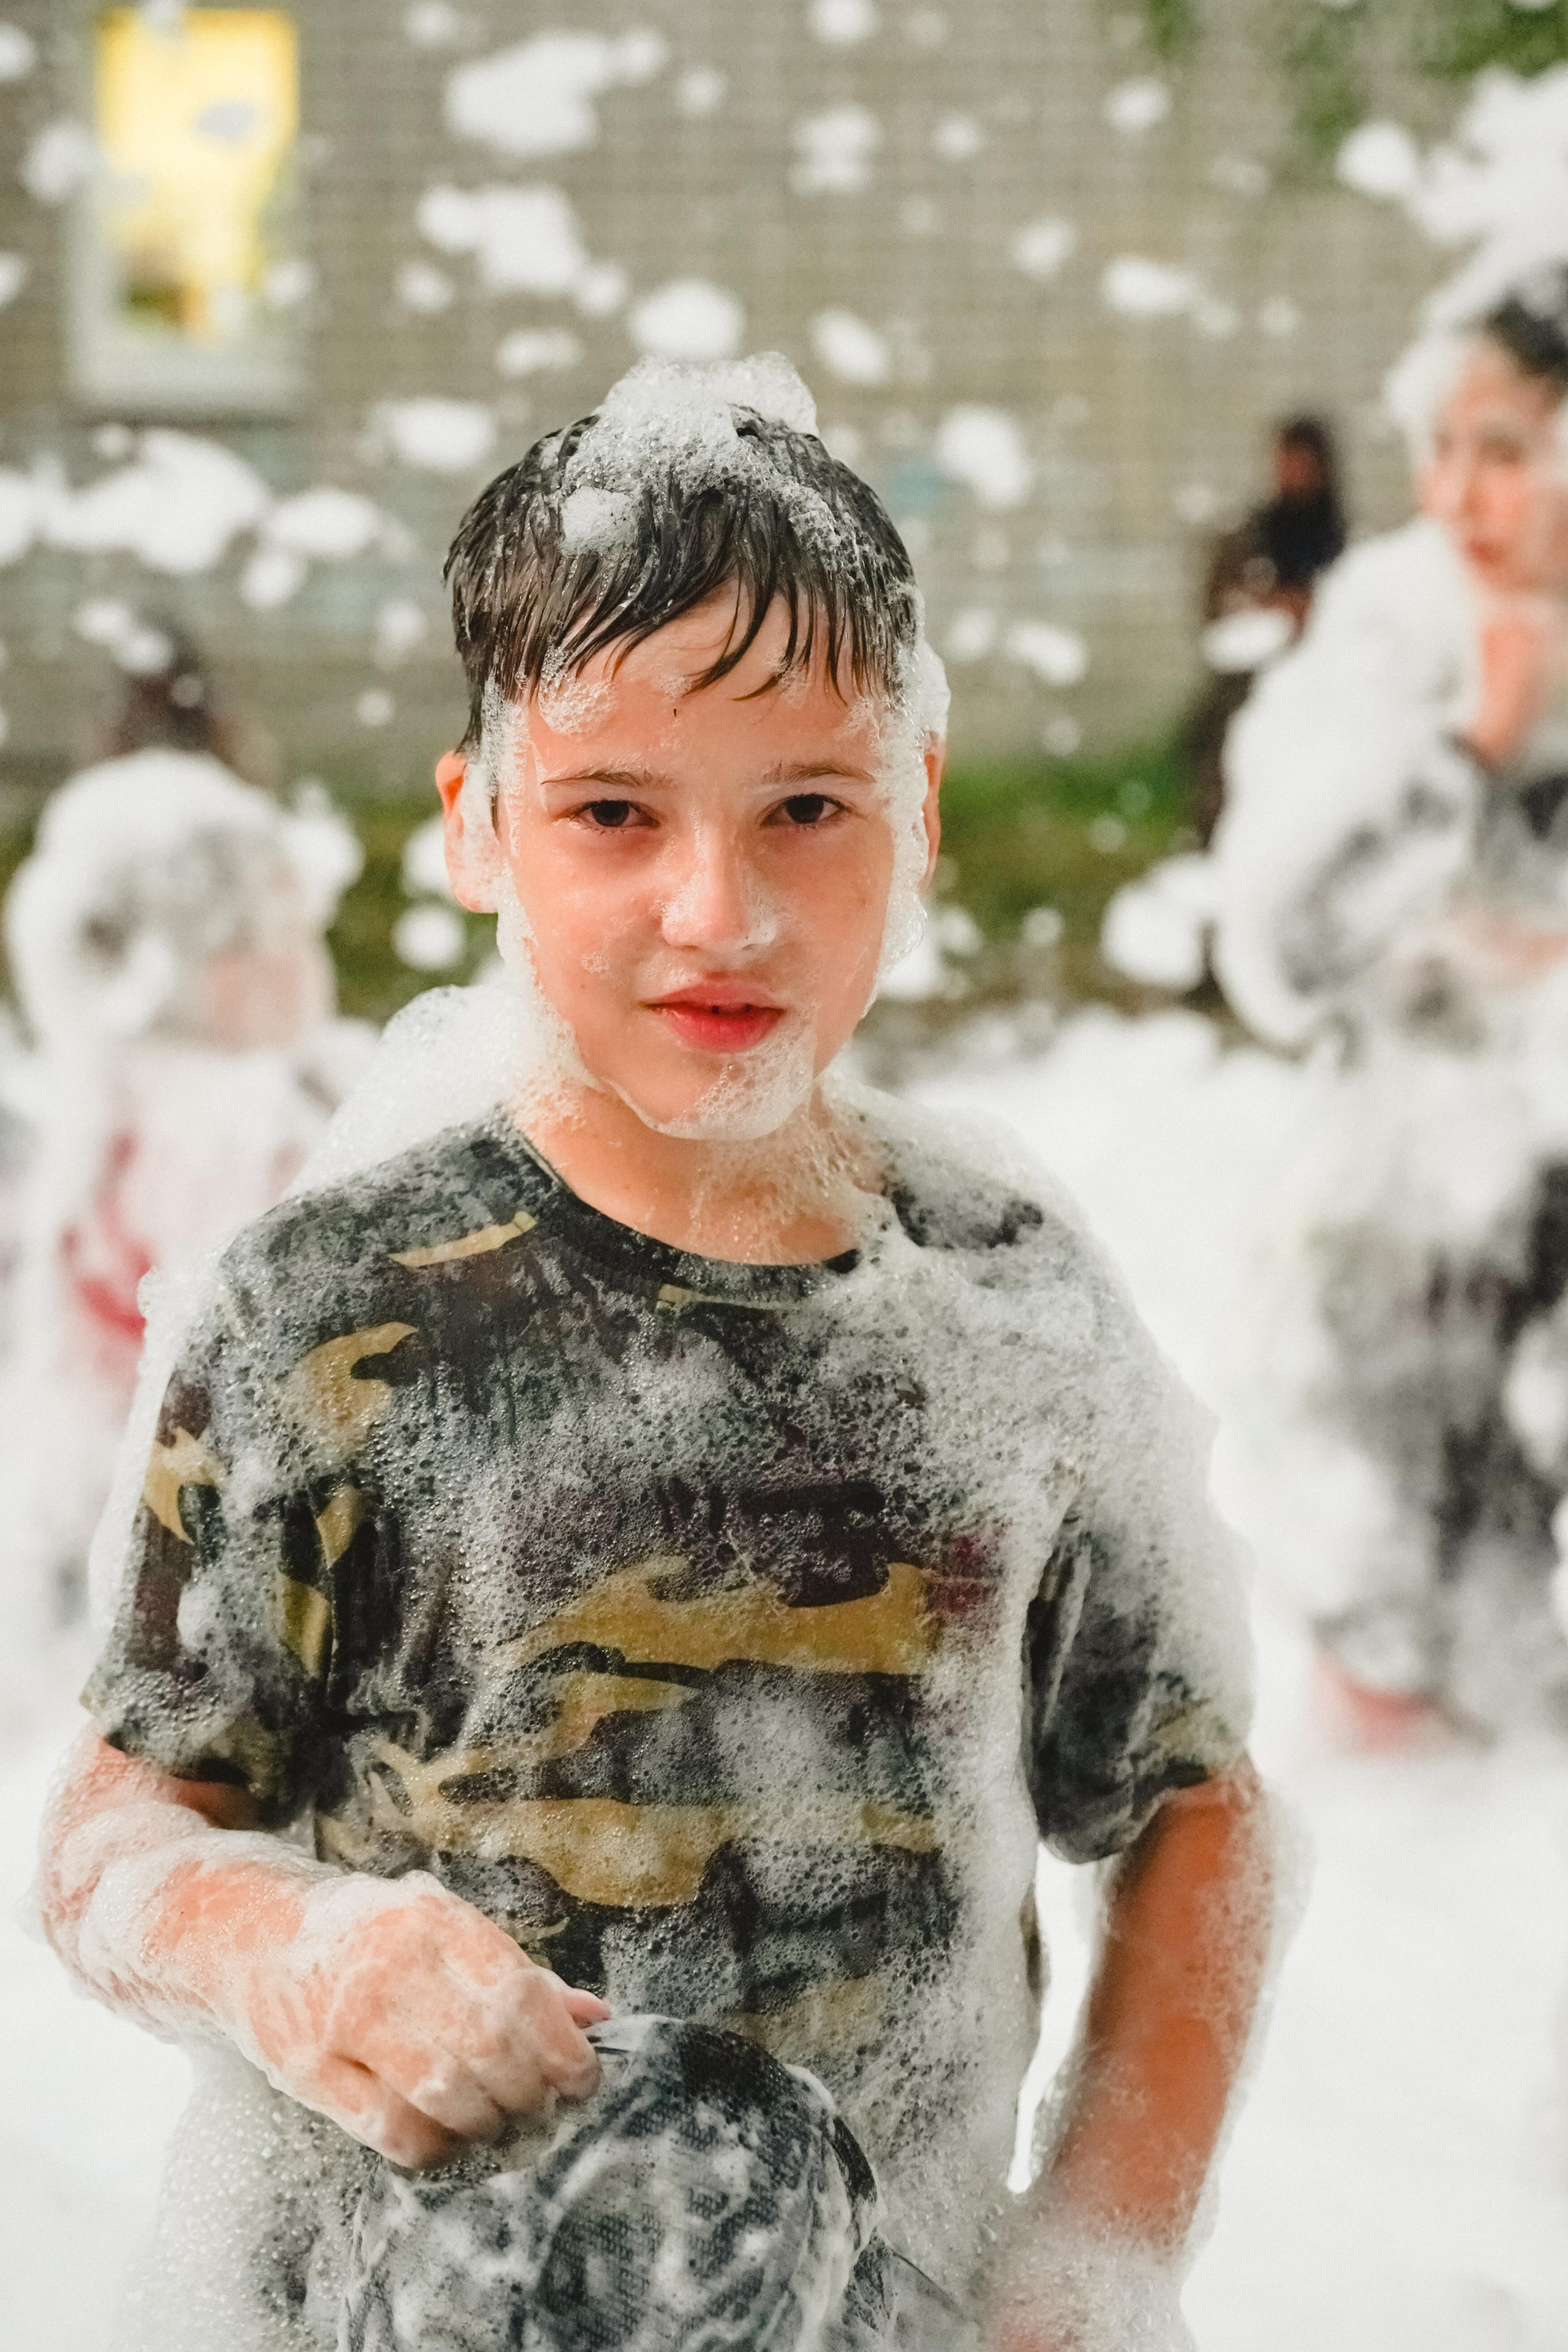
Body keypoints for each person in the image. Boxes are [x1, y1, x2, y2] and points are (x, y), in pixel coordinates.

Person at [40, 357, 1272, 2352]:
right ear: (479, 829)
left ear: (920, 807)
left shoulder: (1007, 1304)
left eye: (809, 807)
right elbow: (115, 1831)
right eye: (614, 812)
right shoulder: (341, 1312)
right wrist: (292, 1947)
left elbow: (1197, 1811)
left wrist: (1089, 2259)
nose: (722, 909)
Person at [1209, 268, 1568, 1744]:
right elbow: (1277, 943)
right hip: (1403, 1247)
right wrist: (1460, 750)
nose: (1454, 493)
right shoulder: (1378, 637)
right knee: (1394, 1675)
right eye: (1435, 447)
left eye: (1501, 447)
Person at [0, 649, 367, 1685]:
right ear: (223, 966)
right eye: (294, 930)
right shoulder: (233, 1125)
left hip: (88, 1526)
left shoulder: (97, 1107)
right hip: (211, 1568)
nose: (313, 956)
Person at [1182, 418, 1346, 847]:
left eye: (1304, 462)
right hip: (1251, 694)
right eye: (1287, 460)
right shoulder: (1249, 538)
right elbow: (1220, 613)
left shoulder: (1342, 541)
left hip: (1324, 698)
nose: (1293, 472)